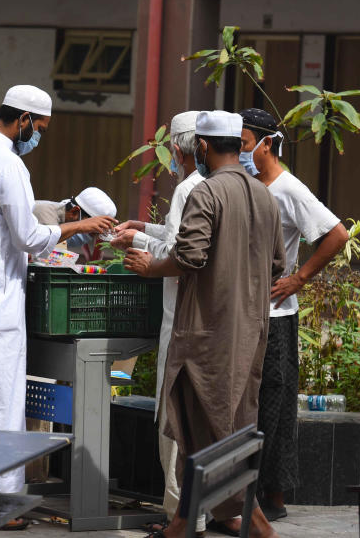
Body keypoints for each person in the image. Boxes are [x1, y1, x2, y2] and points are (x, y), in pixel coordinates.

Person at [0, 85, 116, 530]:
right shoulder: (8, 164)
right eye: (42, 129)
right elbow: (29, 237)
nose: (40, 137)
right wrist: (81, 225)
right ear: (25, 120)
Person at [124, 111, 284, 538]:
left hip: (207, 335)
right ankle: (181, 525)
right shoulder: (265, 195)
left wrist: (150, 266)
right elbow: (277, 264)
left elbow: (190, 257)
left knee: (209, 432)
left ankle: (256, 524)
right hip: (249, 335)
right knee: (219, 430)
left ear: (204, 147)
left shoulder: (206, 193)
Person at [237, 108, 348, 521]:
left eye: (246, 142)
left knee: (275, 406)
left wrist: (298, 278)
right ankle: (247, 492)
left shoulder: (289, 188)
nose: (242, 150)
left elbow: (337, 235)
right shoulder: (246, 184)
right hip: (245, 312)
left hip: (277, 316)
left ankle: (274, 496)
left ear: (267, 143)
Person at [109, 111, 206, 535]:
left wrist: (138, 242)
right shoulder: (223, 187)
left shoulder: (188, 188)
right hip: (207, 322)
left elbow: (178, 251)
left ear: (181, 150)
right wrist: (143, 226)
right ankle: (197, 512)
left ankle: (178, 515)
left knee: (173, 419)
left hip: (180, 316)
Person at [33, 187, 117, 259]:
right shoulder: (46, 217)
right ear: (74, 212)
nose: (91, 232)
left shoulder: (62, 215)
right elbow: (54, 257)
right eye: (90, 228)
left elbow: (66, 239)